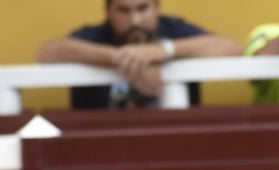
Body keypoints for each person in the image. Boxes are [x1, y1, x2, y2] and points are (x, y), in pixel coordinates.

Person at [37, 0, 242, 111]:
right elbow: (48, 52)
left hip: (173, 149)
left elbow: (232, 47)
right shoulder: (97, 35)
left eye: (142, 8)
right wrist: (120, 56)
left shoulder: (173, 29)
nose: (134, 20)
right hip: (102, 152)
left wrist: (164, 51)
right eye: (123, 10)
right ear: (108, 12)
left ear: (157, 8)